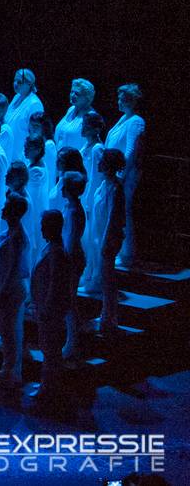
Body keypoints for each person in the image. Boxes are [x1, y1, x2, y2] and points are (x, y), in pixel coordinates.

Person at [0, 193, 30, 389]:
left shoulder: (18, 236)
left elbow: (15, 267)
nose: (2, 209)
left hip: (11, 288)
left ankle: (10, 371)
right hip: (5, 286)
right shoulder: (8, 233)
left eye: (6, 206)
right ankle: (9, 370)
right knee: (7, 331)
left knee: (10, 331)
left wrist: (3, 290)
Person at [30, 209, 69, 401]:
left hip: (50, 309)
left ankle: (50, 387)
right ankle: (48, 383)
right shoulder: (51, 248)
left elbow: (55, 283)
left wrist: (47, 306)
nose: (41, 229)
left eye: (44, 226)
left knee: (51, 348)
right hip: (44, 306)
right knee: (47, 347)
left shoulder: (56, 252)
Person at [105, 84, 145, 267]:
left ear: (130, 101)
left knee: (123, 211)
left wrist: (120, 174)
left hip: (125, 175)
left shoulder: (135, 121)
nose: (118, 101)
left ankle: (127, 253)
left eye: (122, 99)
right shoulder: (124, 119)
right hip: (115, 173)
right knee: (116, 211)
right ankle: (118, 250)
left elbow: (130, 150)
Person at [93, 149, 126, 335]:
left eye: (102, 161)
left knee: (108, 279)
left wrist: (106, 241)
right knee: (105, 279)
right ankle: (106, 314)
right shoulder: (104, 185)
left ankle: (109, 319)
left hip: (109, 240)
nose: (98, 163)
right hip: (101, 237)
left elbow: (113, 218)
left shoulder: (115, 188)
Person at [60, 172, 88, 361]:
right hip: (71, 256)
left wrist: (65, 261)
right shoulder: (70, 208)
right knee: (69, 300)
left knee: (69, 301)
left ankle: (73, 343)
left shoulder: (74, 211)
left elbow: (71, 238)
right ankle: (72, 340)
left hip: (72, 258)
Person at [80, 111, 106, 281]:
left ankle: (94, 276)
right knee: (85, 238)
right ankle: (87, 273)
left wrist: (88, 203)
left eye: (87, 125)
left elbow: (96, 178)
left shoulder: (97, 149)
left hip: (90, 199)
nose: (83, 128)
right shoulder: (87, 146)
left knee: (92, 239)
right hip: (83, 196)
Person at [4, 69, 43, 163]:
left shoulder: (34, 104)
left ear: (29, 84)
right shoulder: (16, 97)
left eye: (19, 82)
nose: (15, 84)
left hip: (21, 156)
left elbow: (35, 135)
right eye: (15, 80)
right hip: (9, 150)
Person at [56, 78, 95, 151]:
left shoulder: (91, 116)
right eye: (72, 92)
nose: (72, 95)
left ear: (87, 98)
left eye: (77, 94)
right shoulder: (71, 109)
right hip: (61, 155)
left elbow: (90, 144)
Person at [29, 111, 58, 185]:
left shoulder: (49, 145)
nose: (33, 129)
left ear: (44, 128)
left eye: (36, 126)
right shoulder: (33, 143)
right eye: (31, 126)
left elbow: (49, 172)